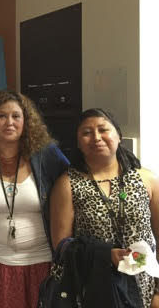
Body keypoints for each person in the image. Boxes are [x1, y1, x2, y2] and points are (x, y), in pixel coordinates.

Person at [50, 108, 159, 307]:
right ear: (78, 143)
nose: (96, 137)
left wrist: (158, 293)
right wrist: (104, 254)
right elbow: (62, 247)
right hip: (92, 289)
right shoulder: (67, 184)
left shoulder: (147, 179)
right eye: (86, 133)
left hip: (143, 288)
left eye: (103, 130)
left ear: (119, 136)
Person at [0, 90, 69, 308]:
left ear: (26, 121)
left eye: (16, 116)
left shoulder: (46, 154)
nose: (9, 122)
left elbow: (72, 185)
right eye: (1, 116)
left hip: (43, 263)